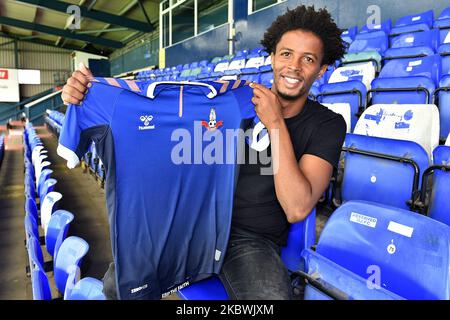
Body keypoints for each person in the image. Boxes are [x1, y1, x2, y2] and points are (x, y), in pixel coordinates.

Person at [61, 5, 347, 300]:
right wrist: (85, 93)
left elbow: (297, 207)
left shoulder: (327, 124)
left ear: (322, 68)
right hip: (194, 221)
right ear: (273, 56)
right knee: (117, 286)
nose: (294, 66)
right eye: (286, 54)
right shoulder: (237, 99)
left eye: (308, 59)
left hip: (250, 239)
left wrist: (275, 123)